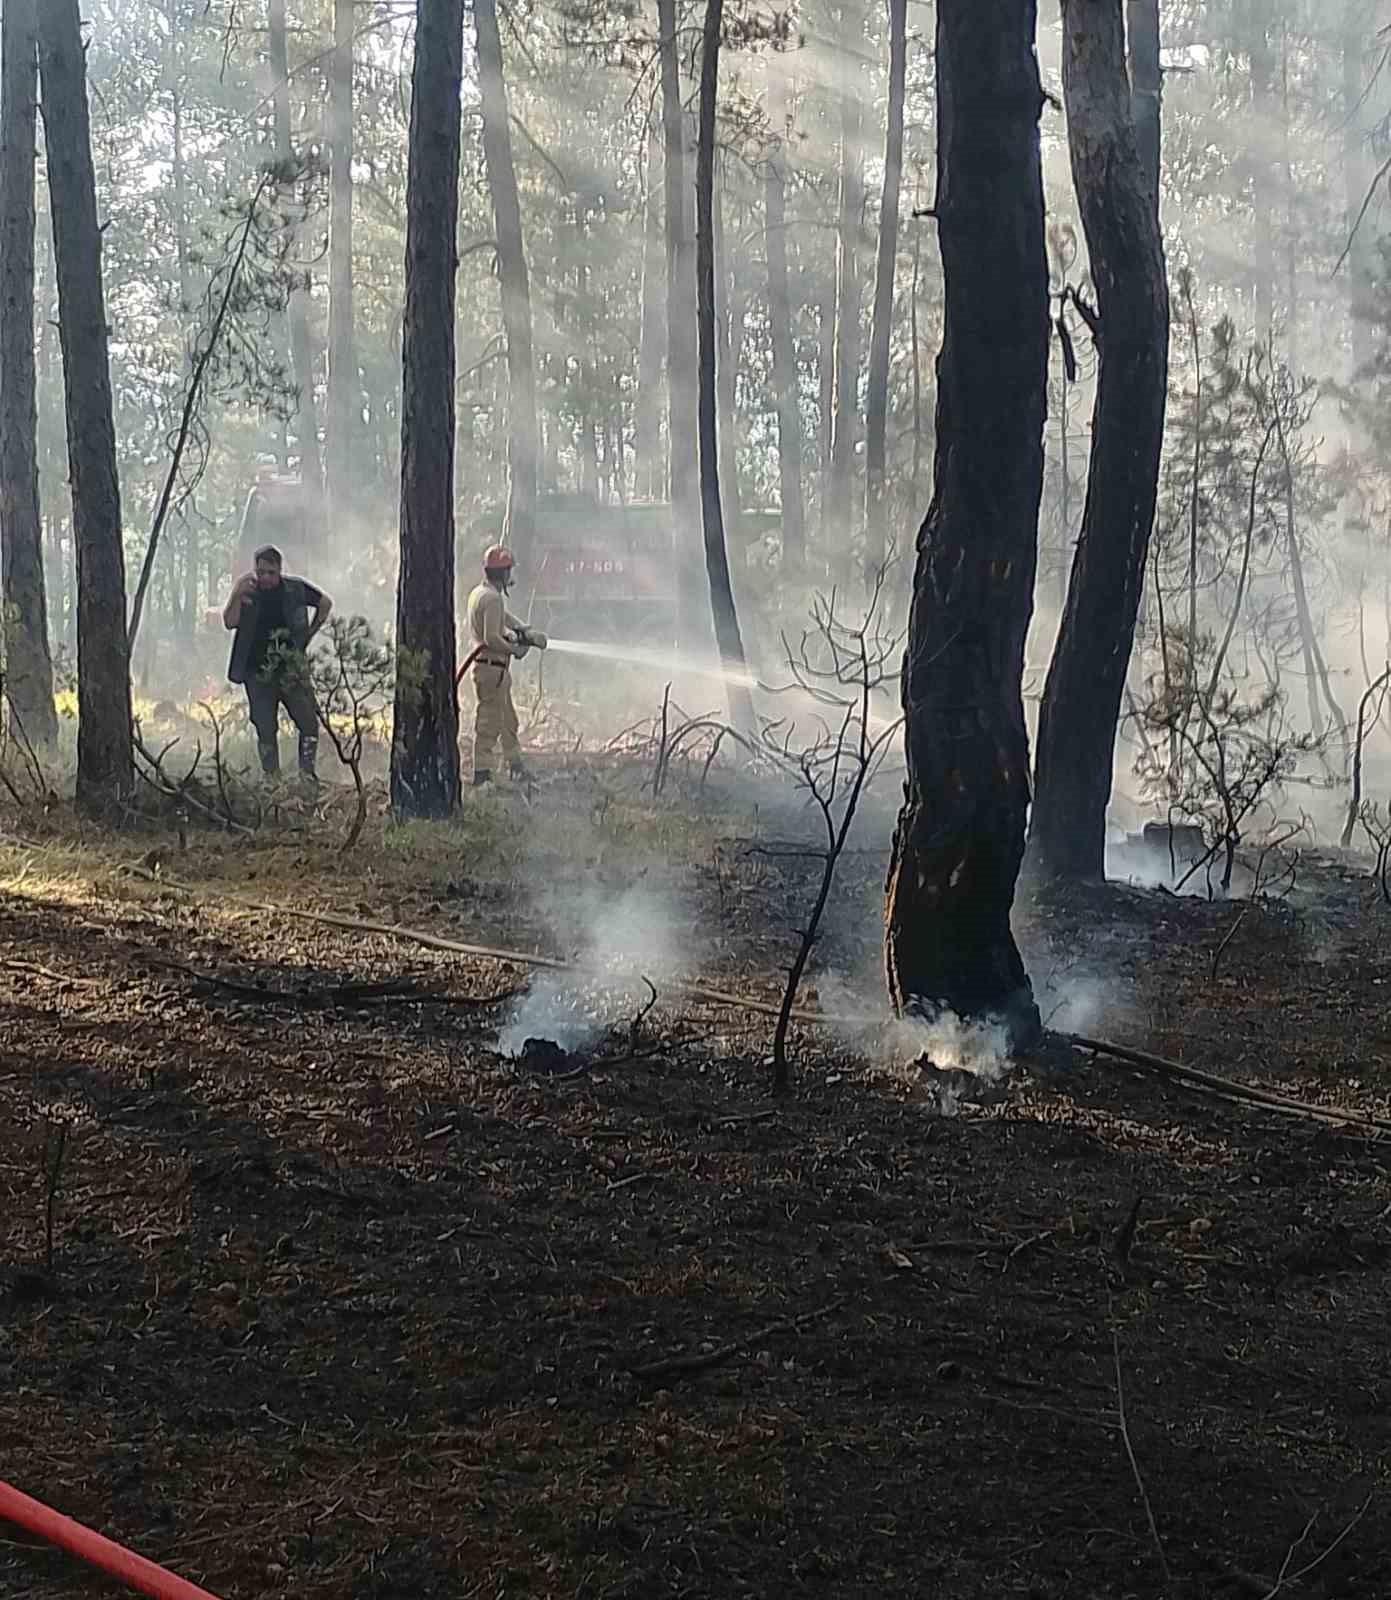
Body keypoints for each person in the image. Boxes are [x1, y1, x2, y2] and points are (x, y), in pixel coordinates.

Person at [223, 544, 333, 779]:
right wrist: (236, 593)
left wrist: (308, 635)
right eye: (261, 572)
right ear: (255, 570)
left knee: (308, 724)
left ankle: (307, 775)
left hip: (291, 670)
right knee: (265, 728)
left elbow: (325, 603)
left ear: (279, 570)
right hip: (257, 673)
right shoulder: (248, 593)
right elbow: (229, 622)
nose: (265, 578)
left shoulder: (294, 589)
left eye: (271, 573)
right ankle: (272, 779)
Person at [465, 544, 547, 786]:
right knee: (489, 723)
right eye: (508, 570)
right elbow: (491, 638)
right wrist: (515, 650)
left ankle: (515, 766)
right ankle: (482, 775)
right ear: (502, 573)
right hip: (492, 669)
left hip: (492, 669)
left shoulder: (482, 593)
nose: (510, 575)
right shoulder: (492, 599)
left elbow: (503, 618)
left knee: (508, 720)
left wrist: (524, 630)